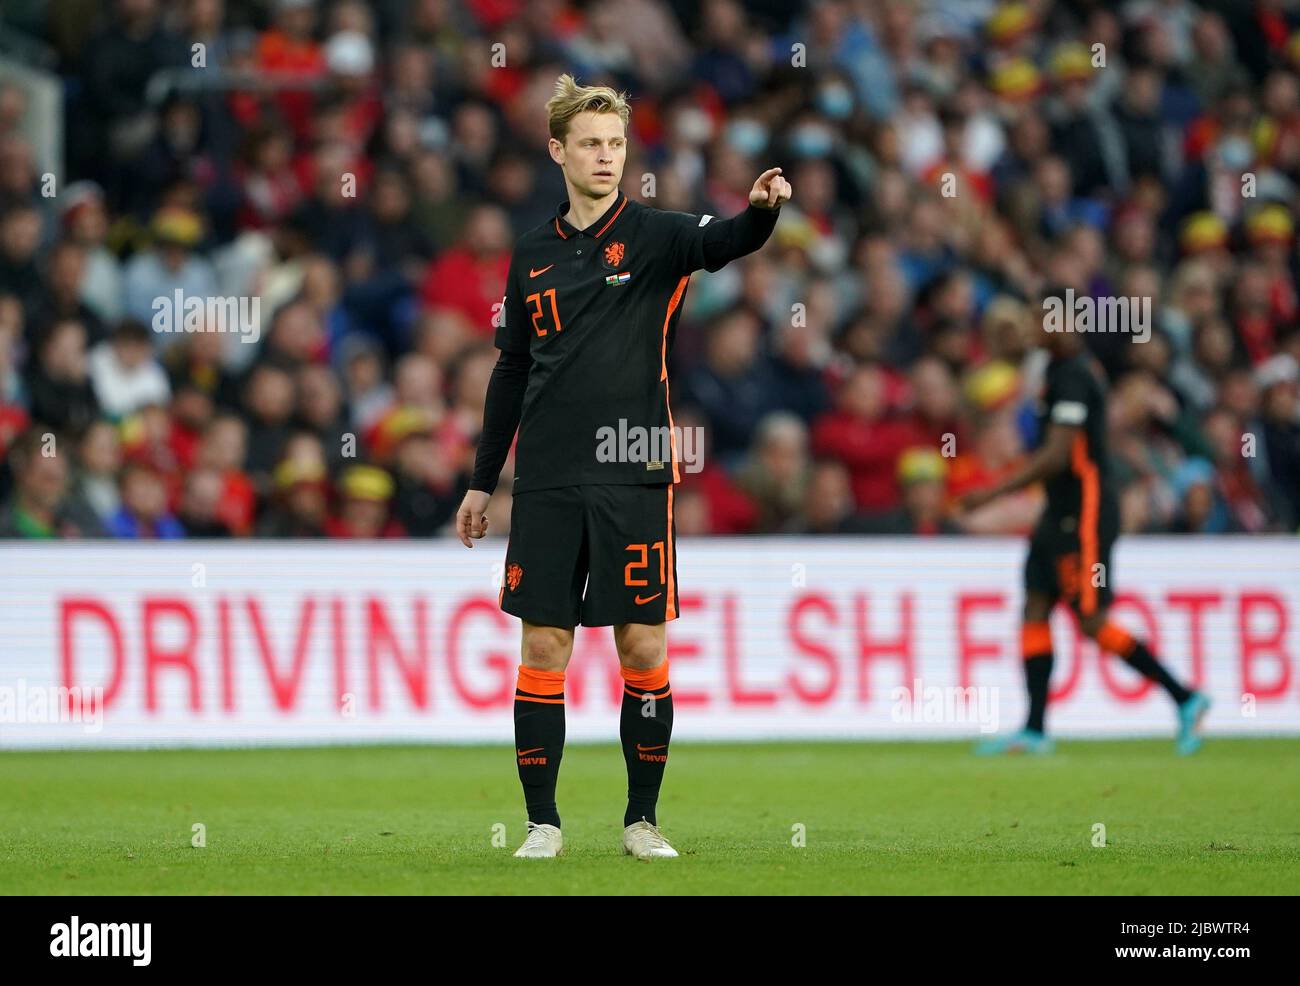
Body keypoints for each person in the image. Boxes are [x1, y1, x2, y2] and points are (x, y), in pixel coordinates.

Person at [455, 74, 790, 860]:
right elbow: (510, 372)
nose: (607, 158)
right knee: (545, 646)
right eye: (592, 145)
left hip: (635, 471)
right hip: (545, 478)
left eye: (615, 145)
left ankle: (642, 820)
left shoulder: (656, 235)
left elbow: (726, 240)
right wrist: (481, 479)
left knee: (642, 645)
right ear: (558, 152)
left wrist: (764, 212)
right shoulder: (531, 254)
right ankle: (543, 823)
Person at [956, 286, 1210, 756]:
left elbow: (1056, 456)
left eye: (1040, 319)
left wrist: (990, 493)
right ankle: (1034, 730)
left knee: (1091, 620)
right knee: (1035, 603)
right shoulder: (1055, 369)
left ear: (1066, 322)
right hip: (1058, 512)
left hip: (1086, 513)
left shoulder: (1073, 376)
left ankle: (1186, 697)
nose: (1034, 328)